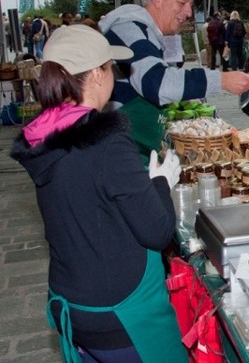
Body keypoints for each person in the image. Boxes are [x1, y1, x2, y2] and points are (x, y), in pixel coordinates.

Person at [10, 24, 188, 363]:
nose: (113, 77)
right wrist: (161, 182)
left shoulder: (43, 137)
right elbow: (157, 231)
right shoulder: (106, 142)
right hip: (123, 314)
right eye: (110, 68)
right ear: (95, 74)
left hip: (72, 306)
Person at [99, 0, 249, 164]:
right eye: (182, 2)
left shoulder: (148, 33)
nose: (188, 12)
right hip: (118, 153)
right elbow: (158, 84)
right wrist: (221, 80)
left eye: (191, 5)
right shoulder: (131, 29)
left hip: (132, 148)